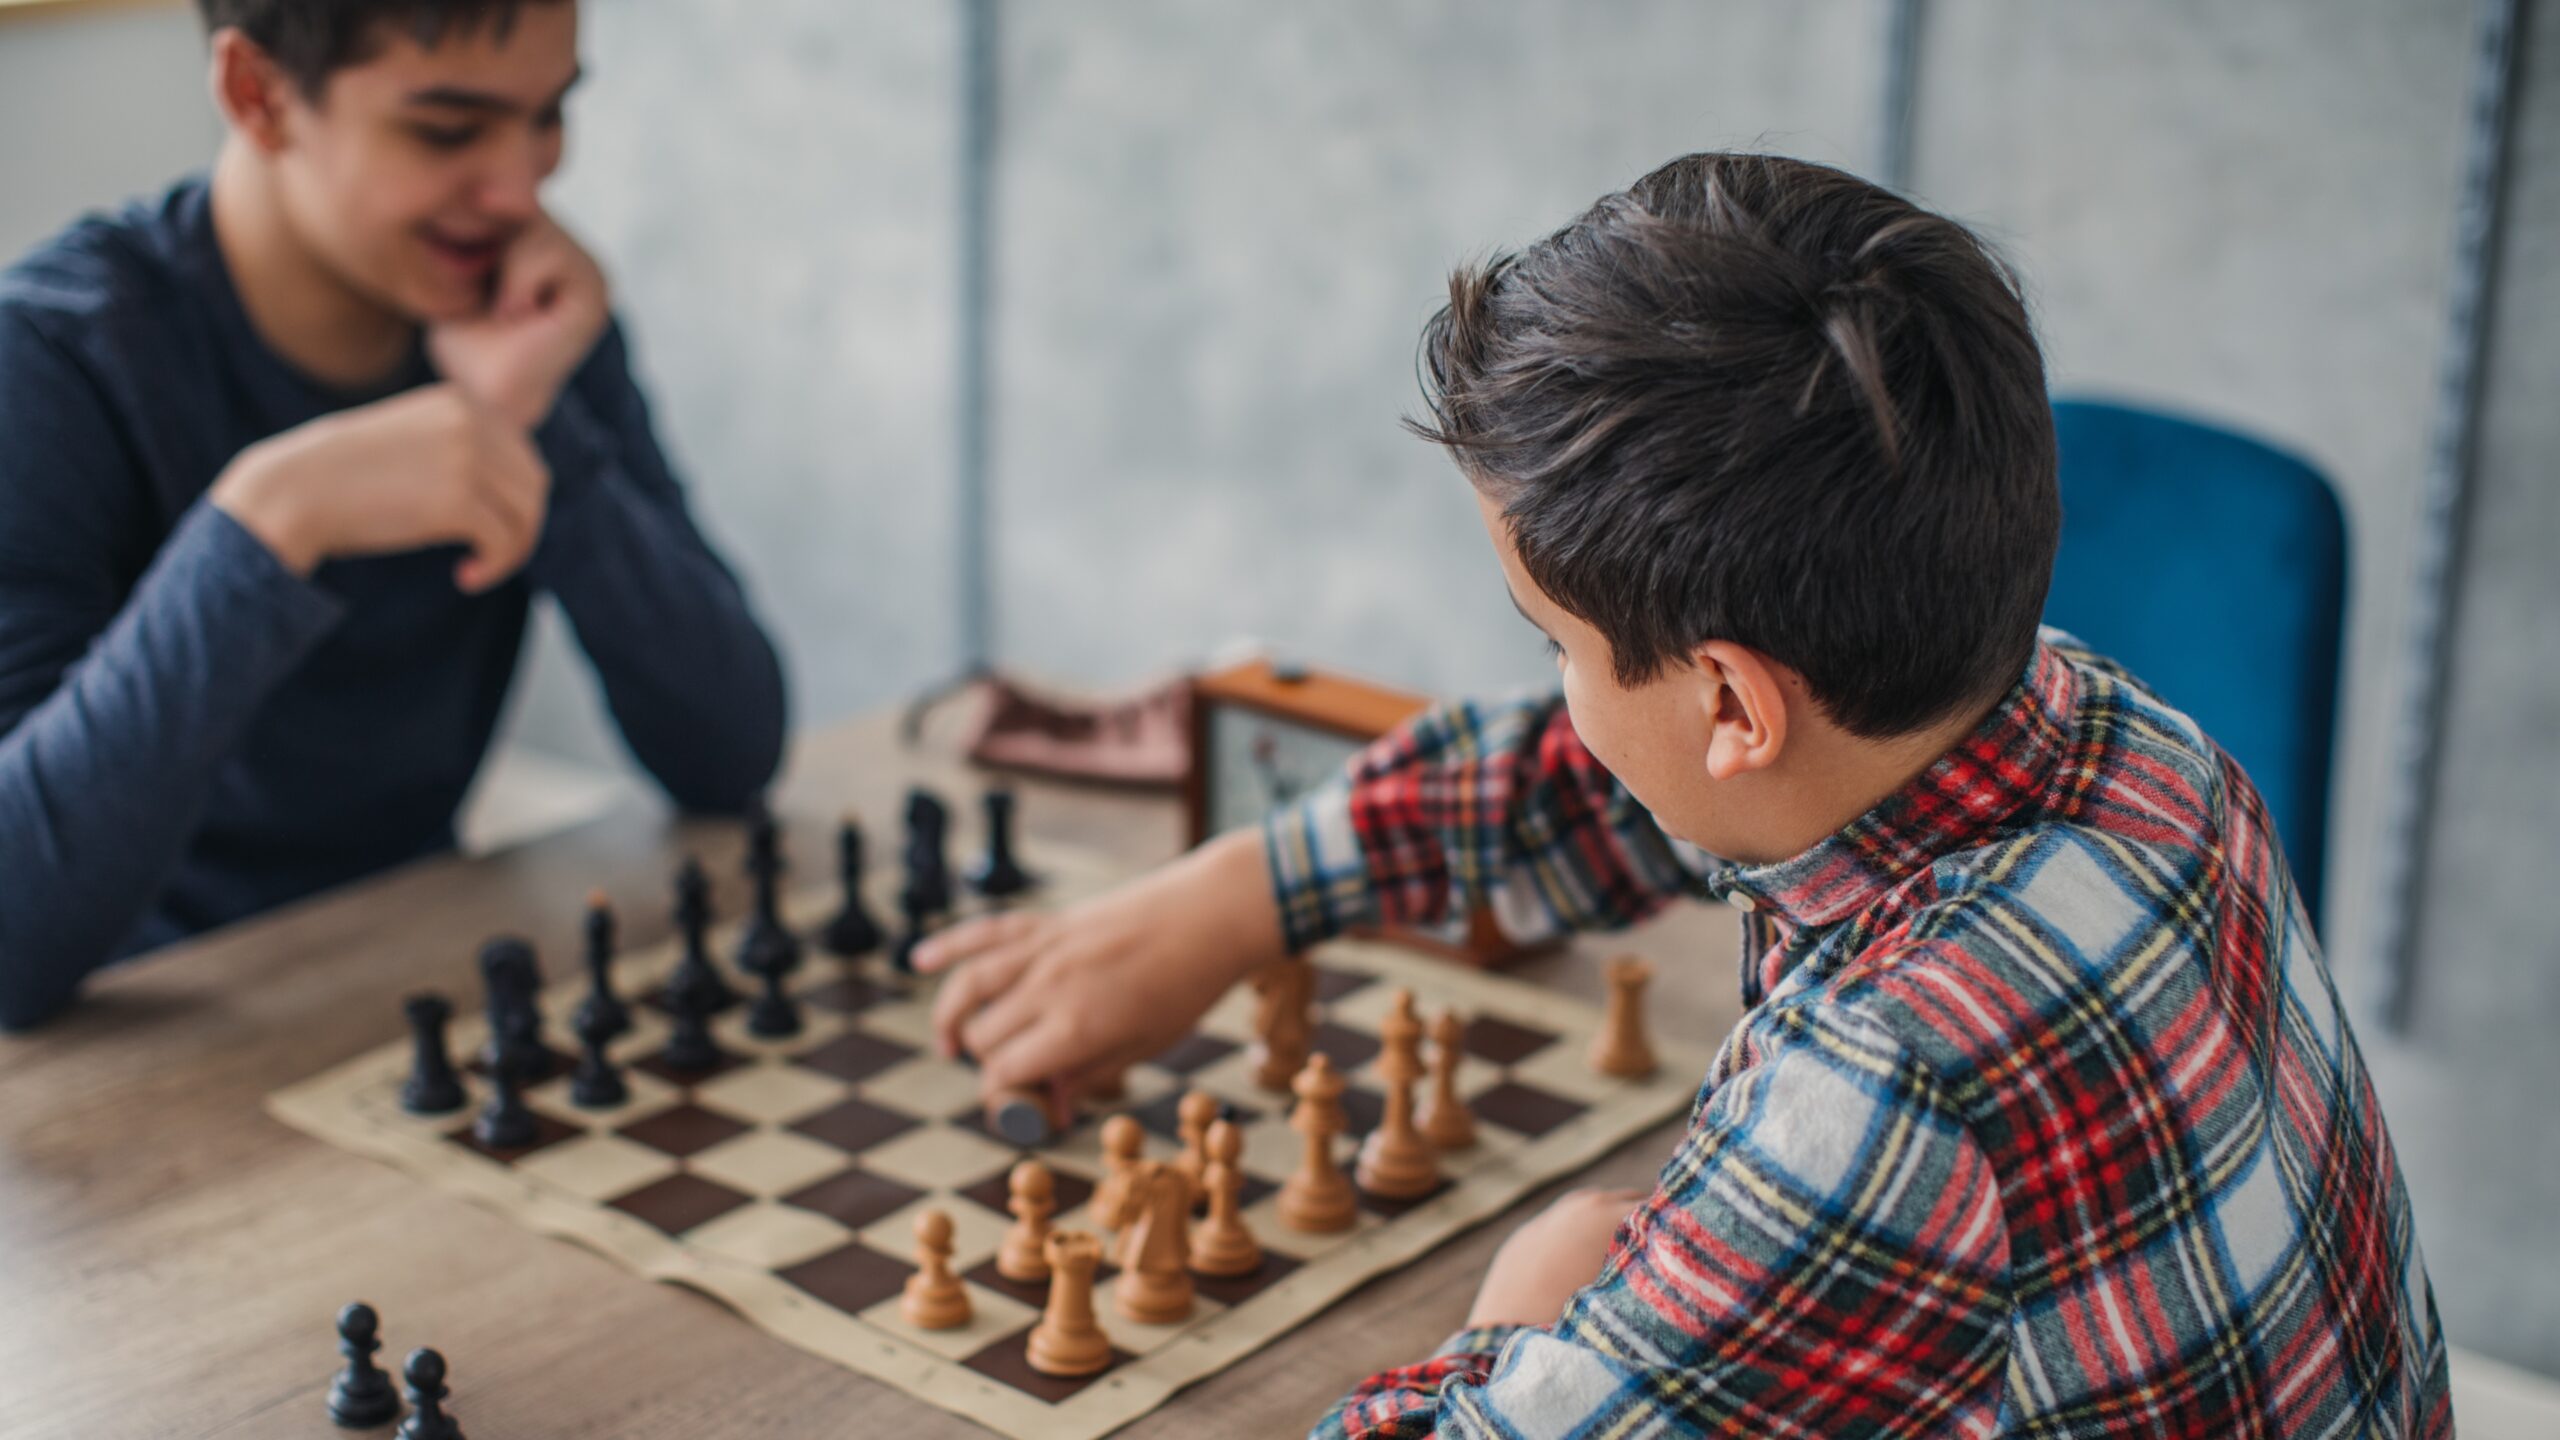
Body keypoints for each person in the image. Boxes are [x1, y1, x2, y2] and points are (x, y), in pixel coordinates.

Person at [921, 153, 2449, 1436]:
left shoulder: (1894, 1084)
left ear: (1727, 700)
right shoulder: (2127, 742)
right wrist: (1244, 894)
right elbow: (1602, 782)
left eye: (1560, 646)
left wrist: (1525, 1319)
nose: (1562, 697)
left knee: (1569, 1237)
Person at [0, 0, 786, 1029]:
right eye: (448, 130)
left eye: (549, 114)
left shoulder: (523, 309)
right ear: (258, 93)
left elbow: (730, 751)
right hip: (138, 1048)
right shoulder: (50, 364)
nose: (523, 186)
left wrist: (529, 421)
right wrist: (267, 528)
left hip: (413, 988)